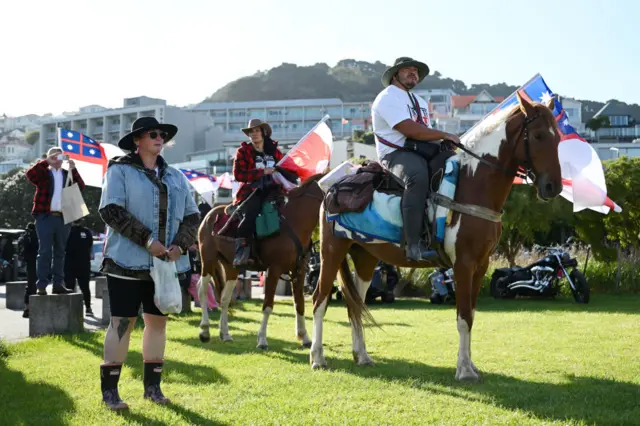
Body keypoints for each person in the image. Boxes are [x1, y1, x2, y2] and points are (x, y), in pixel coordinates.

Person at [98, 117, 200, 410]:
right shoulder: (119, 171)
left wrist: (180, 244)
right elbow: (111, 210)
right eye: (153, 134)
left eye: (162, 135)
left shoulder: (177, 177)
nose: (159, 138)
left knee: (158, 324)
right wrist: (147, 241)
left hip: (167, 266)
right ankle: (110, 393)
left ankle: (153, 389)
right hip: (126, 263)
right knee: (121, 324)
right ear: (137, 140)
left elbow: (193, 216)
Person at [371, 57, 461, 262]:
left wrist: (444, 144)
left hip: (419, 149)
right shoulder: (387, 97)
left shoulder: (419, 101)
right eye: (408, 70)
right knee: (418, 176)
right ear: (395, 75)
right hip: (395, 154)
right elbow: (410, 130)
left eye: (416, 71)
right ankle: (413, 245)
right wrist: (444, 135)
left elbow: (425, 134)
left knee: (454, 166)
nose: (414, 73)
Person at [25, 147, 85, 294]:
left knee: (60, 252)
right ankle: (42, 285)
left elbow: (80, 187)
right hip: (45, 216)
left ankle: (58, 284)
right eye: (54, 156)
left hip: (63, 217)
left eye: (60, 157)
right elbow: (30, 175)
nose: (57, 159)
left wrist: (73, 169)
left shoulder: (67, 174)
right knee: (44, 251)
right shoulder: (44, 173)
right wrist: (46, 161)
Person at [232, 118, 285, 266]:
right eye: (251, 132)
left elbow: (285, 168)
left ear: (264, 133)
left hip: (274, 190)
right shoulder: (243, 151)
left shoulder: (275, 152)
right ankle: (241, 252)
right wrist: (261, 172)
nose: (254, 134)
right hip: (251, 192)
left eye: (257, 131)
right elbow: (238, 174)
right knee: (250, 215)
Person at [64, 221, 94, 315]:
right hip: (72, 263)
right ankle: (72, 309)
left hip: (81, 263)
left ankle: (88, 307)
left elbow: (90, 244)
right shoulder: (67, 230)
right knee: (70, 286)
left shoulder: (85, 231)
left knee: (84, 287)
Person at [19, 222, 39, 318]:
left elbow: (21, 250)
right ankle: (32, 309)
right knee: (34, 286)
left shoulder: (24, 237)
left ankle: (27, 308)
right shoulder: (36, 235)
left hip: (28, 263)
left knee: (30, 285)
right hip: (36, 262)